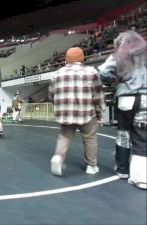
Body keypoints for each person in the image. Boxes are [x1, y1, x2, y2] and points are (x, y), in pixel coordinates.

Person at [98, 30, 147, 189]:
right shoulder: (144, 55)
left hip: (126, 97)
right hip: (145, 98)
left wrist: (114, 79)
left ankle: (123, 170)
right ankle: (141, 177)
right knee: (141, 136)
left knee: (123, 134)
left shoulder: (119, 55)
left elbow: (103, 71)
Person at [49, 47, 105, 176]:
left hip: (66, 113)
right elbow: (98, 95)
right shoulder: (90, 71)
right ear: (82, 58)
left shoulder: (57, 74)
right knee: (90, 138)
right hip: (87, 112)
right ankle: (91, 166)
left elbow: (51, 95)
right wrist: (99, 112)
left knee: (64, 136)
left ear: (66, 59)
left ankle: (58, 157)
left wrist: (59, 107)